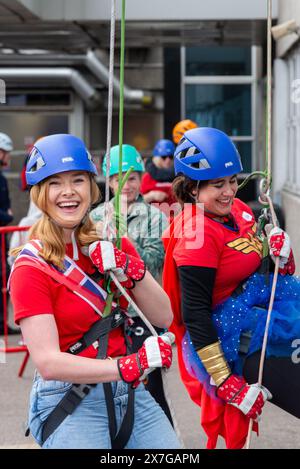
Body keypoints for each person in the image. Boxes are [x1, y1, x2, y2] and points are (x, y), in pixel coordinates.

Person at [9, 134, 180, 450]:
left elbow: (164, 316)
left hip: (128, 392)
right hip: (68, 396)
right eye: (55, 183)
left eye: (78, 180)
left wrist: (131, 268)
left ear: (92, 187)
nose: (69, 192)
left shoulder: (112, 245)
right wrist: (130, 365)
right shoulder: (30, 266)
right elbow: (48, 362)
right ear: (39, 195)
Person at [162, 127, 300, 449]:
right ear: (193, 189)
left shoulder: (236, 210)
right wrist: (226, 383)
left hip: (262, 312)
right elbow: (194, 314)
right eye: (217, 184)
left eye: (233, 181)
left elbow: (263, 267)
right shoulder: (196, 235)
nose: (229, 191)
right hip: (229, 340)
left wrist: (280, 251)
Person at [90, 144, 173, 424]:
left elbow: (154, 261)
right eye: (117, 178)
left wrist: (121, 243)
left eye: (132, 177)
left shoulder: (155, 217)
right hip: (105, 318)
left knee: (150, 391)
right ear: (109, 182)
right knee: (109, 391)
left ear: (141, 179)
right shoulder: (94, 218)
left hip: (142, 317)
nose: (125, 185)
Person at [0, 132, 19, 335]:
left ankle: (2, 322)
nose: (8, 157)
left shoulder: (2, 178)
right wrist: (6, 216)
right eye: (6, 153)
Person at [140, 139, 177, 211]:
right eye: (164, 157)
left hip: (176, 218)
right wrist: (151, 195)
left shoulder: (179, 175)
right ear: (156, 158)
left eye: (171, 157)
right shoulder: (147, 177)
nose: (168, 160)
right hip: (155, 219)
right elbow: (136, 203)